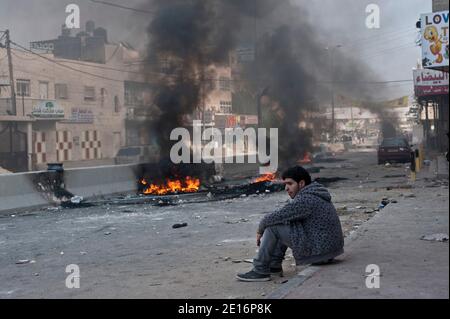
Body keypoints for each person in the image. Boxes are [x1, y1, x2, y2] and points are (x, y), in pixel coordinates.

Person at [236, 166, 344, 282]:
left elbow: (274, 217)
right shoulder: (314, 193)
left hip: (321, 253)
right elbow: (284, 215)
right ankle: (274, 265)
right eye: (285, 184)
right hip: (328, 251)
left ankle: (260, 270)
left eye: (290, 184)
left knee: (273, 228)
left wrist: (260, 230)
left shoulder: (306, 200)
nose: (286, 188)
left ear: (301, 183)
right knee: (284, 221)